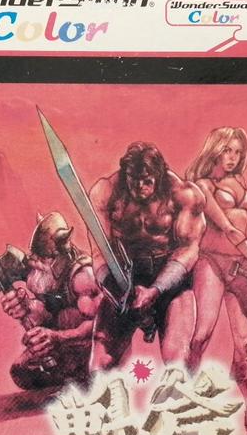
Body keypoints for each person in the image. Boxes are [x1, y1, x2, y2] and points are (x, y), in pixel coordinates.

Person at [183, 127, 247, 432]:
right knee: (202, 335)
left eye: (238, 152)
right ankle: (182, 402)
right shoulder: (202, 185)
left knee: (243, 342)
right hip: (212, 264)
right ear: (215, 150)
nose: (233, 157)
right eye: (227, 150)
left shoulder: (239, 182)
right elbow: (227, 227)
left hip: (242, 266)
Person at [86, 142, 206, 369]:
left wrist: (156, 290)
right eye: (134, 180)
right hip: (124, 278)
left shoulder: (184, 195)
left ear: (158, 175)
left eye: (147, 180)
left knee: (177, 363)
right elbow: (99, 252)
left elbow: (188, 250)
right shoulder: (106, 192)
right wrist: (116, 290)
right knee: (99, 366)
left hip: (171, 283)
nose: (139, 187)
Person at [0, 212, 102, 389]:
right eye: (35, 256)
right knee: (20, 370)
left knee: (69, 316)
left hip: (90, 348)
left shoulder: (83, 277)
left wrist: (57, 337)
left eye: (43, 258)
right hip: (64, 347)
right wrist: (25, 306)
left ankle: (83, 381)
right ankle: (67, 384)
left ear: (61, 254)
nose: (35, 263)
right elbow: (46, 314)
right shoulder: (49, 277)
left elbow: (101, 325)